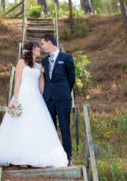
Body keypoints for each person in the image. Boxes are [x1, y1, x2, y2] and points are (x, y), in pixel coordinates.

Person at [0, 42, 68, 172]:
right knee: (17, 125)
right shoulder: (21, 63)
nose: (39, 49)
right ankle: (10, 156)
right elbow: (17, 81)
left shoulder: (39, 66)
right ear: (31, 50)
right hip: (22, 97)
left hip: (36, 99)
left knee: (36, 126)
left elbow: (42, 86)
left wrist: (48, 99)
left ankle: (34, 157)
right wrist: (16, 98)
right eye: (37, 48)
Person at [40, 35, 75, 166]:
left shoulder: (66, 58)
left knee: (65, 127)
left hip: (62, 98)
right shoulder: (44, 61)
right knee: (50, 128)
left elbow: (71, 79)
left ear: (50, 42)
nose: (41, 46)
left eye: (42, 44)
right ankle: (52, 157)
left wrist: (64, 92)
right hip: (48, 99)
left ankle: (68, 157)